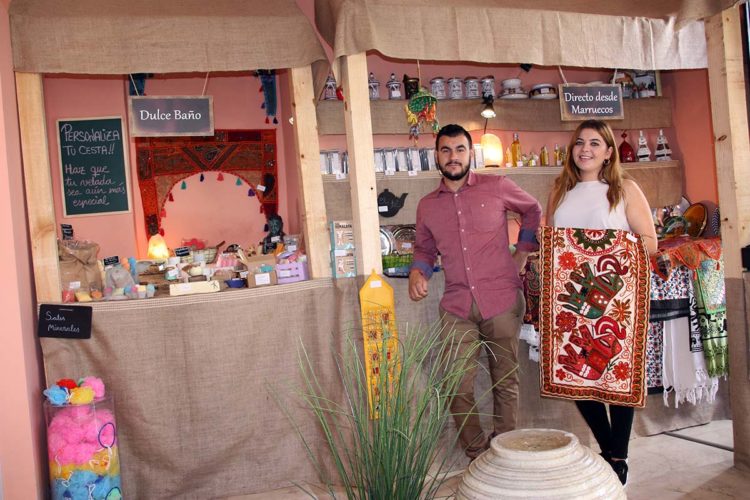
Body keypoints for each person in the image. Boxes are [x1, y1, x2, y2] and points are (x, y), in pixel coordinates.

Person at [409, 123, 542, 460]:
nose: (453, 157)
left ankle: (506, 452)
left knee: (505, 382)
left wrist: (522, 252)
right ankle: (478, 454)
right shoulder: (427, 206)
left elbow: (532, 210)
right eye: (445, 150)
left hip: (501, 301)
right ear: (436, 156)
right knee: (457, 384)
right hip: (456, 306)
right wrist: (418, 271)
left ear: (471, 154)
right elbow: (424, 250)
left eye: (459, 150)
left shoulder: (496, 186)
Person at [546, 119, 658, 485]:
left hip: (614, 298)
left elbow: (649, 242)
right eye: (580, 142)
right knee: (575, 371)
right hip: (571, 299)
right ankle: (610, 450)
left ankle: (618, 457)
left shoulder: (624, 189)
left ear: (609, 151)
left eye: (595, 143)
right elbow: (553, 242)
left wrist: (598, 253)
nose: (585, 149)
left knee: (617, 373)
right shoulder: (559, 191)